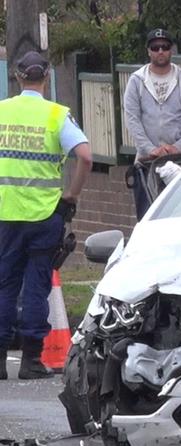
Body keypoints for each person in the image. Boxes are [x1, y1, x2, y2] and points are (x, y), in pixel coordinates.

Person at [0, 51, 92, 380]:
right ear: (47, 75)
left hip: (5, 213)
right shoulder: (56, 115)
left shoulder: (2, 112)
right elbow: (85, 157)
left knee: (5, 284)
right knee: (37, 286)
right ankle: (31, 361)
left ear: (17, 76)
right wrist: (71, 196)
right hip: (44, 215)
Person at [123, 28, 181, 220]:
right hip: (147, 164)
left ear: (171, 50)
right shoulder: (136, 82)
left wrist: (177, 147)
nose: (160, 51)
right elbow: (132, 119)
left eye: (165, 47)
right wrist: (150, 149)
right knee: (147, 216)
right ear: (148, 51)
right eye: (155, 47)